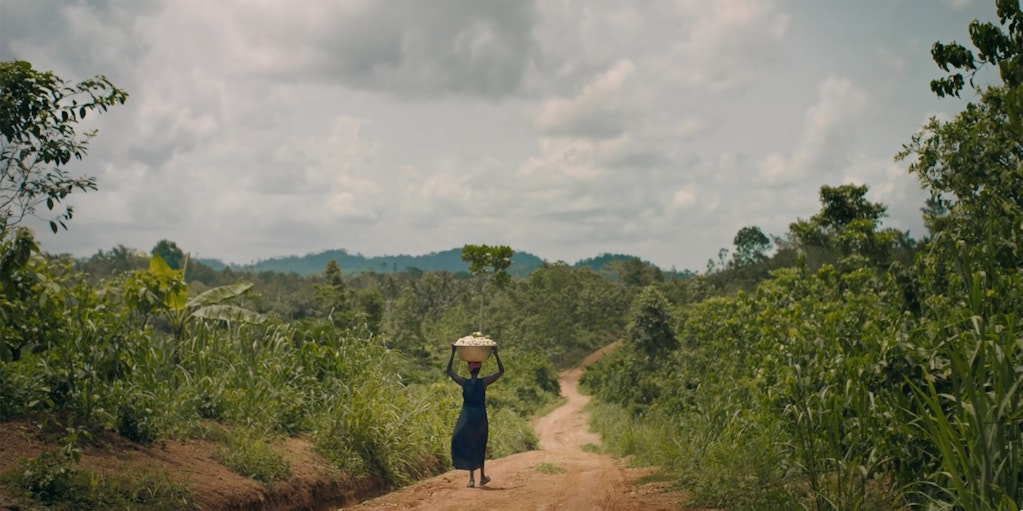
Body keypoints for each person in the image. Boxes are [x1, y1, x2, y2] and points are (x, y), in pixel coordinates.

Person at [447, 344, 504, 488]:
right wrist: (496, 354)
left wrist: (453, 352)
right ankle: (482, 476)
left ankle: (471, 479)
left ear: (469, 369)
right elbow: (501, 371)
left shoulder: (464, 383)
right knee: (480, 444)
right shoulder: (483, 382)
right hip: (480, 417)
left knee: (468, 443)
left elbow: (449, 371)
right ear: (479, 369)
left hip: (466, 417)